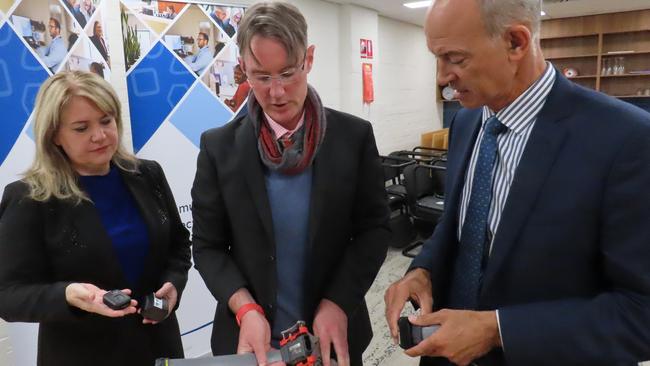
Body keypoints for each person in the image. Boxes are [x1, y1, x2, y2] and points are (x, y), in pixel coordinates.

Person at [384, 0, 650, 365]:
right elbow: (460, 223)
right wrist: (422, 269)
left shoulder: (627, 141)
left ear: (516, 42)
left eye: (455, 59)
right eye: (436, 57)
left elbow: (641, 314)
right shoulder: (466, 123)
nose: (442, 77)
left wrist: (497, 329)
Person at [191, 2, 389, 366]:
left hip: (331, 336)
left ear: (308, 59)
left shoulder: (352, 138)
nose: (277, 92)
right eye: (261, 77)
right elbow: (207, 246)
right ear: (244, 69)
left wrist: (338, 301)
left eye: (288, 73)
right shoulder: (219, 148)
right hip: (254, 342)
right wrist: (244, 307)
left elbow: (374, 230)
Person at [0, 71, 192, 366]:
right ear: (54, 135)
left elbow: (178, 246)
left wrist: (174, 284)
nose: (100, 135)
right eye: (81, 128)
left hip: (158, 348)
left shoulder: (147, 174)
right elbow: (8, 296)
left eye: (106, 120)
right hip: (82, 354)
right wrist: (67, 295)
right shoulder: (29, 198)